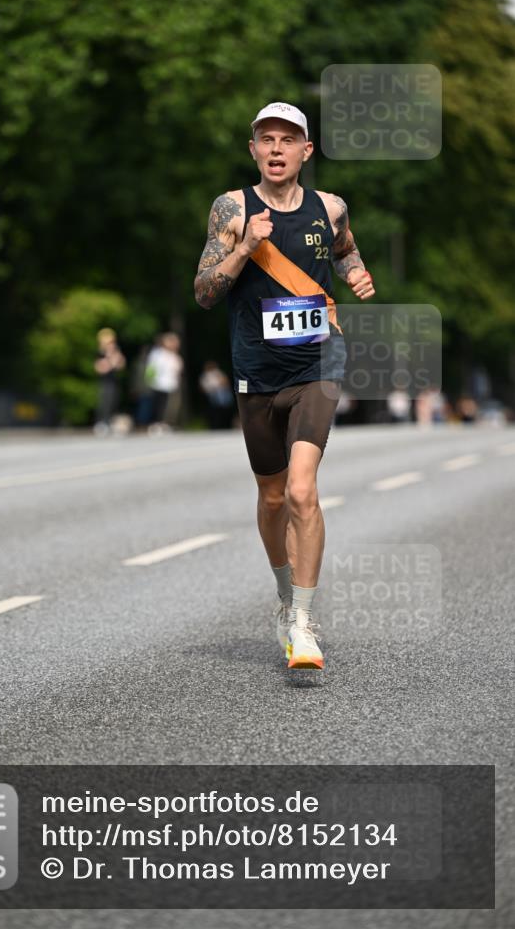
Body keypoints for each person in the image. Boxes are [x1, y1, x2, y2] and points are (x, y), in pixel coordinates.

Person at [194, 102, 375, 669]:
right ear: (253, 150)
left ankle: (302, 619)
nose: (276, 149)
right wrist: (245, 247)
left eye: (287, 140)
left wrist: (356, 275)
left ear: (305, 151)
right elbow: (203, 291)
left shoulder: (331, 207)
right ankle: (282, 595)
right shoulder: (231, 208)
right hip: (256, 370)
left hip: (316, 364)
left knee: (301, 489)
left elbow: (344, 251)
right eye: (266, 139)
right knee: (272, 496)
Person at [145, 332, 184, 433]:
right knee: (159, 405)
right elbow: (151, 368)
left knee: (170, 406)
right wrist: (150, 380)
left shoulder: (174, 355)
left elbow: (178, 369)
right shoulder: (157, 353)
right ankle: (156, 423)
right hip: (159, 383)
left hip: (171, 384)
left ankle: (166, 423)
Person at [93, 327, 125, 434]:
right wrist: (110, 360)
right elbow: (100, 368)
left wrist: (115, 356)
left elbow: (121, 365)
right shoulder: (100, 353)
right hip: (104, 382)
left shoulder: (116, 352)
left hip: (114, 381)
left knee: (114, 402)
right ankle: (101, 423)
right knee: (104, 402)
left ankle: (110, 422)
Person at [199, 360, 234, 429]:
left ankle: (226, 422)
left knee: (223, 397)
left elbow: (225, 382)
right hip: (211, 394)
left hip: (221, 392)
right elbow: (202, 387)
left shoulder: (218, 373)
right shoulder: (205, 376)